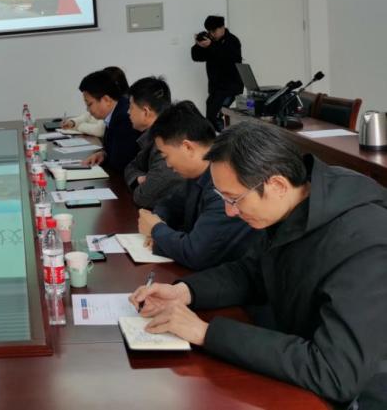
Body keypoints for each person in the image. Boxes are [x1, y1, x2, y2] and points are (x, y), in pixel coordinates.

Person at [130, 121, 387, 408]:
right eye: (223, 198)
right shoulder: (294, 204)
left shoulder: (366, 242)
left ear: (277, 185)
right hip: (300, 359)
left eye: (234, 199)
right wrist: (185, 291)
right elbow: (253, 271)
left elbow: (335, 372)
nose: (229, 212)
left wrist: (205, 333)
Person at [137, 101, 259, 270]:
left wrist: (156, 230)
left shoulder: (226, 186)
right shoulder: (196, 174)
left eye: (166, 156)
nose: (168, 165)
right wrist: (158, 221)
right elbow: (168, 204)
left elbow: (196, 253)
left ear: (187, 147)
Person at [123, 77, 183, 209]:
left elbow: (143, 197)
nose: (128, 112)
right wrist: (138, 179)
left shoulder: (166, 142)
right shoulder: (151, 137)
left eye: (131, 107)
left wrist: (142, 182)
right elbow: (130, 167)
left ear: (146, 112)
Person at [78, 69, 141, 174]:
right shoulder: (115, 111)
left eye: (89, 104)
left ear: (106, 100)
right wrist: (103, 154)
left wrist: (107, 156)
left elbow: (120, 163)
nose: (88, 109)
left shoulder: (124, 117)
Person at [190, 15, 243, 131]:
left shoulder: (232, 41)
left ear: (222, 27)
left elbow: (229, 60)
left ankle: (225, 138)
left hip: (230, 87)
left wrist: (211, 46)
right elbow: (196, 57)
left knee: (216, 116)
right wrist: (198, 45)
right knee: (210, 118)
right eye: (209, 31)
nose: (212, 34)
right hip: (215, 88)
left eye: (214, 31)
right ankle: (216, 139)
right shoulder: (211, 42)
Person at [61, 66, 128, 138]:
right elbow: (88, 116)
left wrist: (79, 126)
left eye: (89, 104)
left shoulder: (122, 118)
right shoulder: (113, 111)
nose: (87, 109)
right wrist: (73, 122)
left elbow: (100, 130)